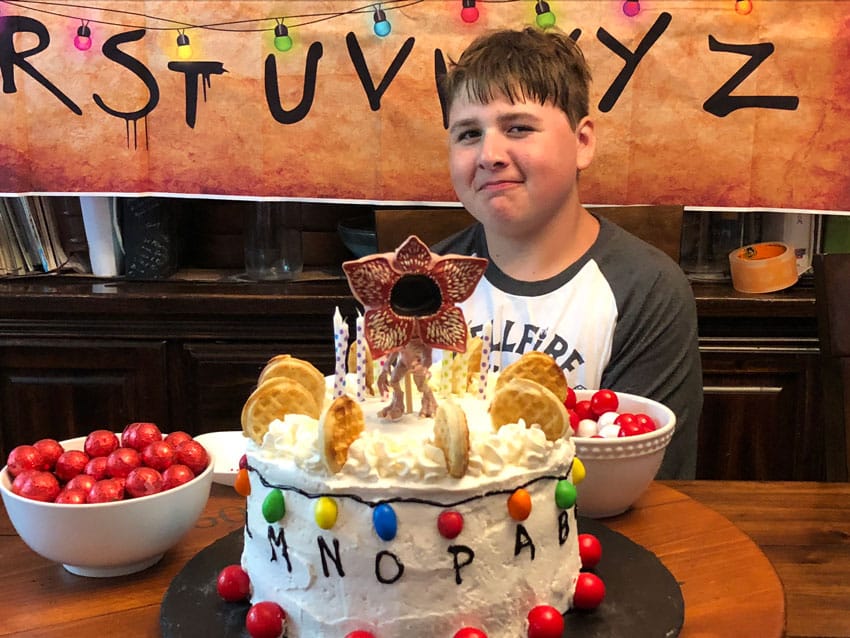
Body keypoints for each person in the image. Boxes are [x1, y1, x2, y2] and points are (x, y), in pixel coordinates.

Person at [433, 26, 702, 480]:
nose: (489, 154)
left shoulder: (646, 289)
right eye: (467, 134)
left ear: (583, 143)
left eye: (518, 127)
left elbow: (643, 485)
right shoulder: (420, 283)